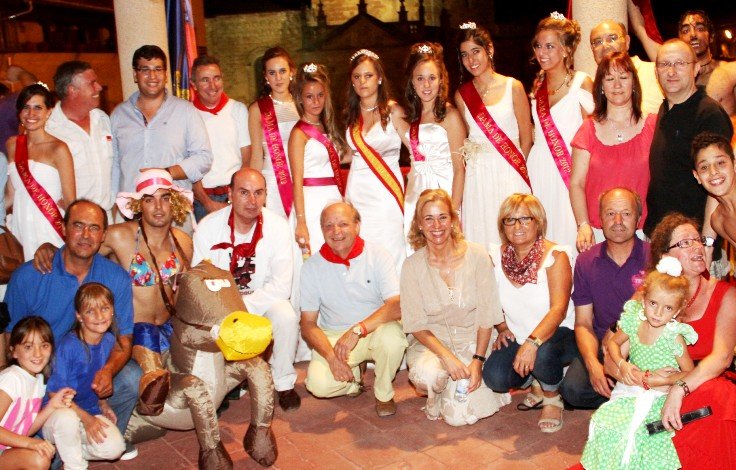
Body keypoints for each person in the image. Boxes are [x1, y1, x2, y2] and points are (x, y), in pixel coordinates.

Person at [31, 169, 194, 416]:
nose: (158, 206)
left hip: (168, 328)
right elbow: (80, 249)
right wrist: (49, 248)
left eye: (166, 198)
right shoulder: (119, 236)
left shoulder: (183, 241)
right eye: (149, 199)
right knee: (149, 379)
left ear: (177, 202)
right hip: (134, 330)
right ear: (139, 205)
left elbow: (181, 291)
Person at [4, 199, 139, 451]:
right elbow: (8, 336)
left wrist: (108, 370)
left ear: (103, 235)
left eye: (94, 228)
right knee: (44, 454)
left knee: (131, 378)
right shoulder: (29, 275)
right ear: (64, 228)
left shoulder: (115, 277)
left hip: (87, 366)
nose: (86, 235)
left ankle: (98, 440)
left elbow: (124, 339)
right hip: (40, 370)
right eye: (78, 226)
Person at [192, 168, 301, 411]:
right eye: (244, 192)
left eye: (258, 193)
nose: (252, 201)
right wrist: (229, 307)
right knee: (205, 322)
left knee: (286, 315)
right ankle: (222, 385)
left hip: (263, 299)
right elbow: (200, 279)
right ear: (229, 193)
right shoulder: (208, 227)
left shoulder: (278, 226)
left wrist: (244, 306)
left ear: (265, 195)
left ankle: (283, 383)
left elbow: (282, 286)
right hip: (220, 303)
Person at [400, 189, 510, 426]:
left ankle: (451, 392)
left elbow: (487, 313)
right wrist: (447, 357)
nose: (436, 225)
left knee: (458, 419)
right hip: (432, 344)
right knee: (430, 376)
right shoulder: (411, 266)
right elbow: (415, 324)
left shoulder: (478, 255)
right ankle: (438, 390)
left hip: (474, 342)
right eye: (428, 218)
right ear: (419, 224)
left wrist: (478, 361)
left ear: (453, 220)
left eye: (442, 217)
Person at [581, 259, 697, 469]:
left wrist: (665, 378)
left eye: (668, 308)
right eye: (653, 303)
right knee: (604, 421)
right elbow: (613, 344)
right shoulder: (634, 322)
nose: (658, 313)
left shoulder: (674, 336)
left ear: (677, 311)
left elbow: (690, 373)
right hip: (631, 388)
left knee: (641, 434)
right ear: (643, 299)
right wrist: (622, 365)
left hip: (659, 397)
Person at [640, 214, 736, 468]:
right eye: (684, 243)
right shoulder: (651, 292)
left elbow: (722, 357)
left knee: (716, 396)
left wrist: (679, 388)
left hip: (708, 380)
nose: (697, 247)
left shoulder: (726, 293)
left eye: (698, 240)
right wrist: (627, 369)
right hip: (657, 383)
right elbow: (616, 341)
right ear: (664, 257)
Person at [300, 201, 408, 417]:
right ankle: (354, 381)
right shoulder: (312, 266)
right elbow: (308, 324)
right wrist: (332, 358)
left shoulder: (378, 255)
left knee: (393, 340)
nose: (336, 232)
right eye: (328, 226)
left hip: (374, 330)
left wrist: (359, 329)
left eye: (343, 224)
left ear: (357, 226)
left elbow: (396, 306)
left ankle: (383, 393)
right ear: (321, 230)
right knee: (318, 386)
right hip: (334, 336)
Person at [483, 193, 578, 433]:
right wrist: (502, 328)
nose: (517, 226)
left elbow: (559, 309)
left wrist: (532, 343)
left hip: (558, 334)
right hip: (518, 334)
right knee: (495, 377)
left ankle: (552, 396)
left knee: (543, 354)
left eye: (525, 219)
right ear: (502, 226)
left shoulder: (556, 256)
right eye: (510, 220)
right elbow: (491, 300)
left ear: (538, 222)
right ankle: (536, 379)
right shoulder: (496, 256)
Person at [560, 188, 649, 409]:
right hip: (603, 345)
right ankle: (626, 395)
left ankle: (626, 396)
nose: (618, 221)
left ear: (639, 218)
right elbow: (582, 323)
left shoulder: (654, 256)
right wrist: (593, 365)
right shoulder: (586, 261)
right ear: (599, 218)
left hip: (644, 346)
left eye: (626, 214)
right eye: (610, 213)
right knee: (573, 390)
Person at [643, 39, 733, 237]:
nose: (672, 71)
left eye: (680, 63)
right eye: (665, 64)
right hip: (661, 236)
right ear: (656, 72)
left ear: (696, 69)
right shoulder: (665, 107)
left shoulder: (709, 114)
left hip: (693, 243)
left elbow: (718, 183)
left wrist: (707, 243)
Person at [454, 23, 532, 247]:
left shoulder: (513, 87)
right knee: (482, 237)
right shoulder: (462, 96)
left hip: (510, 170)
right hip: (478, 176)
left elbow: (527, 138)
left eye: (476, 51)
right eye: (465, 55)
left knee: (514, 236)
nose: (471, 60)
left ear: (489, 50)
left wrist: (515, 170)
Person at [570, 52, 655, 251]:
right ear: (601, 86)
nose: (617, 85)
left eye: (624, 77)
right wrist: (582, 225)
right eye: (609, 78)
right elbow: (576, 183)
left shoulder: (653, 125)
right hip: (598, 232)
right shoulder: (587, 130)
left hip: (642, 231)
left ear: (634, 83)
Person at [526, 12, 594, 254]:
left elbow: (592, 135)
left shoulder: (581, 83)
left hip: (571, 170)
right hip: (540, 168)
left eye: (550, 46)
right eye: (538, 45)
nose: (542, 52)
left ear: (566, 50)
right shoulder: (537, 88)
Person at [111, 45, 212, 202]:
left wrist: (166, 172)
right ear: (135, 74)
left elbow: (203, 158)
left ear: (165, 75)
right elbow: (115, 166)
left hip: (175, 209)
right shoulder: (119, 115)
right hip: (132, 210)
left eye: (158, 69)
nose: (152, 76)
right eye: (145, 69)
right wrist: (114, 205)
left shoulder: (185, 111)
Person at [43, 283, 126, 469]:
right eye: (90, 311)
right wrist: (87, 420)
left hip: (88, 410)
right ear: (79, 316)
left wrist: (104, 404)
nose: (99, 316)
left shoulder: (109, 340)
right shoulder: (69, 346)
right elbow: (54, 395)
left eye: (105, 308)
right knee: (67, 419)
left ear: (112, 310)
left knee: (115, 448)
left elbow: (98, 379)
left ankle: (67, 448)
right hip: (58, 413)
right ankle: (74, 464)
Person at [344, 49, 407, 274]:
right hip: (357, 193)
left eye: (368, 75)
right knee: (363, 252)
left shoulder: (393, 111)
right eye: (357, 76)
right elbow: (349, 154)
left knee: (390, 249)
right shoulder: (351, 115)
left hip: (385, 193)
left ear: (379, 78)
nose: (362, 81)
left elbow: (416, 147)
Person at [401, 42, 465, 254]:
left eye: (432, 78)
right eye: (420, 79)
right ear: (412, 82)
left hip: (443, 189)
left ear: (441, 80)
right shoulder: (412, 117)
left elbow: (459, 169)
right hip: (416, 190)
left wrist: (454, 212)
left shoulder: (450, 116)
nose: (426, 85)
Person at [629, 6, 736, 134]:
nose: (693, 35)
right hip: (682, 147)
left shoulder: (729, 71)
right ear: (680, 40)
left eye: (700, 28)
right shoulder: (672, 71)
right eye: (685, 31)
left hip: (722, 147)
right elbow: (640, 31)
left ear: (711, 36)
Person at [6, 84, 76, 260]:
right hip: (21, 227)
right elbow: (10, 195)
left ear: (49, 112)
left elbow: (70, 201)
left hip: (49, 226)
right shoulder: (13, 145)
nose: (31, 114)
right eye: (26, 108)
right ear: (19, 112)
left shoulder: (59, 148)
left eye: (38, 108)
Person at [288, 62, 346, 256]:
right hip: (311, 202)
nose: (316, 101)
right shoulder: (298, 133)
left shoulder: (328, 127)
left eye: (320, 95)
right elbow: (296, 181)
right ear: (300, 99)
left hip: (334, 197)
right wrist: (301, 221)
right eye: (309, 97)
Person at [0, 317, 74, 469]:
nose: (38, 353)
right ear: (13, 351)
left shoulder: (38, 380)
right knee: (39, 457)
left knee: (40, 456)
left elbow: (25, 429)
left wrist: (52, 406)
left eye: (44, 345)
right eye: (28, 347)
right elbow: (27, 439)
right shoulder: (11, 378)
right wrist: (30, 443)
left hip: (5, 451)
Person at [45, 61, 114, 218]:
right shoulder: (50, 129)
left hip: (107, 219)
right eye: (92, 83)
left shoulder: (102, 119)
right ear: (72, 90)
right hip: (72, 221)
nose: (99, 87)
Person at [190, 55, 251, 222]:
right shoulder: (187, 114)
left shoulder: (238, 109)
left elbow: (246, 157)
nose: (212, 86)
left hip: (235, 195)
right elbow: (189, 164)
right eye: (205, 80)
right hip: (202, 199)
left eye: (216, 78)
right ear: (193, 84)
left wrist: (236, 196)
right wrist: (206, 202)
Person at [248, 46, 299, 220]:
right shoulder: (257, 109)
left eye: (282, 71)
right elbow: (256, 155)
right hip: (273, 181)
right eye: (272, 73)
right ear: (265, 77)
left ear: (292, 72)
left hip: (303, 176)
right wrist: (253, 191)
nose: (278, 78)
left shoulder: (304, 104)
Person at [588, 20, 663, 115]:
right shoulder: (589, 85)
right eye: (598, 42)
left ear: (627, 42)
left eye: (612, 38)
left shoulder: (655, 72)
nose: (605, 46)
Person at [692, 132, 736, 248]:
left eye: (720, 163)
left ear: (734, 164)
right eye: (704, 167)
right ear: (697, 176)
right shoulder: (718, 221)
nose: (713, 171)